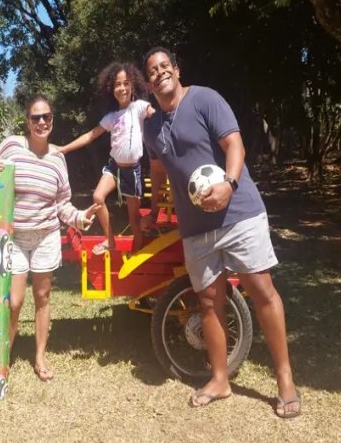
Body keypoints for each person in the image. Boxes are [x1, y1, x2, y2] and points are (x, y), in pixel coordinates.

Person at [142, 47, 301, 418]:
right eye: (152, 71)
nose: (160, 72)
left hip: (239, 213)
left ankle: (285, 380)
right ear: (148, 84)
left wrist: (229, 184)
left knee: (261, 291)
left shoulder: (205, 99)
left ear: (177, 70)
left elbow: (234, 145)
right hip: (196, 229)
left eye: (165, 66)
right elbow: (159, 168)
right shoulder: (151, 127)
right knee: (209, 301)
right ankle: (219, 379)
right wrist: (154, 208)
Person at [0, 95, 98, 382]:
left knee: (43, 297)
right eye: (36, 117)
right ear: (27, 121)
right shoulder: (11, 146)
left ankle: (40, 358)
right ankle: (2, 355)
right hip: (16, 237)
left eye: (46, 117)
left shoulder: (58, 159)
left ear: (52, 120)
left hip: (46, 236)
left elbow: (62, 204)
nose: (41, 122)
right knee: (15, 301)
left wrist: (80, 218)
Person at [57, 62, 155, 254]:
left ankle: (138, 249)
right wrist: (64, 149)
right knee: (97, 197)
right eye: (118, 84)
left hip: (132, 170)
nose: (122, 88)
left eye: (126, 83)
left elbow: (156, 115)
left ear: (133, 85)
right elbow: (90, 135)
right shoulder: (112, 117)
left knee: (134, 218)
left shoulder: (139, 107)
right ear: (112, 89)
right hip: (114, 167)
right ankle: (110, 241)